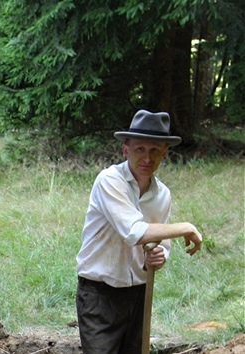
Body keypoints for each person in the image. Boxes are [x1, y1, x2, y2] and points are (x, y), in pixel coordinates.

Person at [75, 110, 203, 354]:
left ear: (165, 152)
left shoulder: (162, 194)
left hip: (139, 294)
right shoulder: (109, 181)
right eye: (140, 149)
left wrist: (159, 257)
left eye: (155, 150)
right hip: (100, 295)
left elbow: (160, 244)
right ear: (126, 149)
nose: (147, 157)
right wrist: (186, 227)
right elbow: (135, 232)